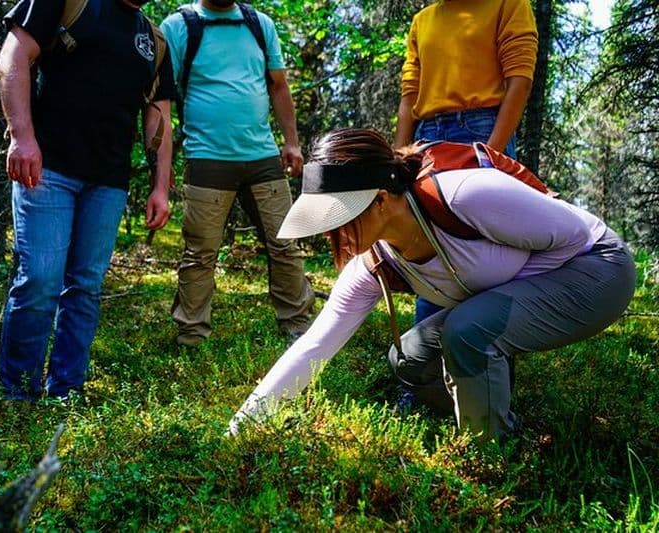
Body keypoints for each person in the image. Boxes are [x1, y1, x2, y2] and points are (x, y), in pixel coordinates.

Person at [228, 128, 636, 441]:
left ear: (382, 199)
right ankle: (492, 416)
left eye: (340, 218)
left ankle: (488, 452)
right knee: (410, 358)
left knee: (469, 328)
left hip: (598, 269)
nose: (333, 233)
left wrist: (494, 304)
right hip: (534, 289)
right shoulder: (373, 263)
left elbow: (575, 236)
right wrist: (242, 425)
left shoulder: (466, 196)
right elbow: (315, 346)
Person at [0, 0, 175, 400]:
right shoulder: (69, 3)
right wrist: (21, 137)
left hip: (108, 182)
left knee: (86, 286)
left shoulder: (155, 39)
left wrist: (161, 185)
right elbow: (14, 55)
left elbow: (158, 115)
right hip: (47, 168)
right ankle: (19, 393)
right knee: (41, 279)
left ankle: (66, 390)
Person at [160, 0, 315, 347]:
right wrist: (162, 160)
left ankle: (299, 329)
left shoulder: (260, 24)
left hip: (262, 156)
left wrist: (291, 142)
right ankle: (192, 336)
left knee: (285, 243)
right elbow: (161, 98)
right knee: (200, 252)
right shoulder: (179, 26)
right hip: (206, 157)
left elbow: (278, 86)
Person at [393, 0, 539, 322]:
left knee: (488, 246)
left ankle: (485, 353)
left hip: (482, 129)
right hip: (426, 137)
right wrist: (397, 159)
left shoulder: (508, 4)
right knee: (432, 244)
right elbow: (409, 96)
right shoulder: (423, 20)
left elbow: (520, 80)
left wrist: (492, 155)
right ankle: (429, 357)